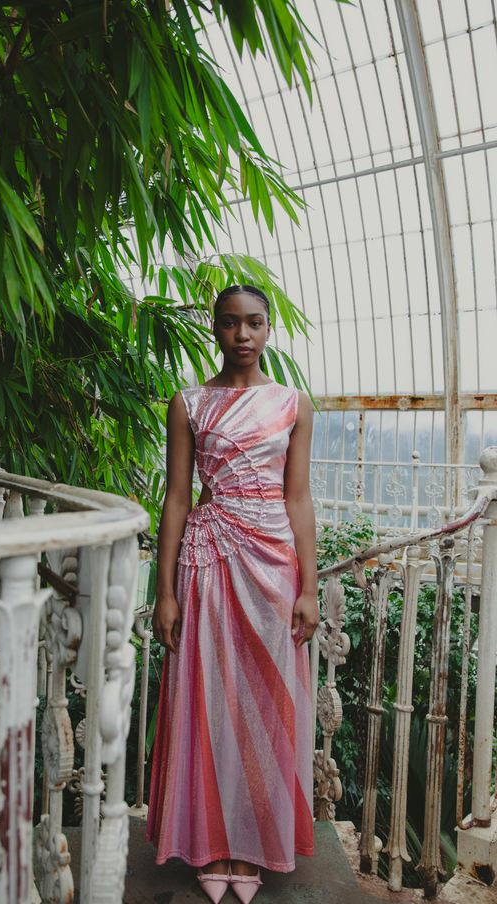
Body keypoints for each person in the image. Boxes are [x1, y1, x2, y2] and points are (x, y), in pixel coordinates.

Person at [145, 285, 319, 904]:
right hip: (208, 560)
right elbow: (176, 497)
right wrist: (163, 591)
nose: (242, 334)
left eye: (253, 323)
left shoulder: (293, 404)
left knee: (265, 706)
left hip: (273, 566)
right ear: (214, 330)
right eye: (229, 324)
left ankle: (252, 849)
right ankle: (212, 845)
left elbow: (297, 497)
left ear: (269, 328)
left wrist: (310, 587)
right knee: (208, 696)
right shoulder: (188, 402)